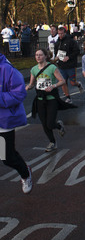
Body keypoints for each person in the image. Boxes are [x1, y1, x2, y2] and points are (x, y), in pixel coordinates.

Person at [0, 53, 33, 193]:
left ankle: (25, 174)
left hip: (3, 122)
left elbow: (19, 93)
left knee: (6, 157)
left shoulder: (7, 69)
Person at [26, 49, 66, 152]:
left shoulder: (52, 68)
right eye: (36, 55)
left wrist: (53, 86)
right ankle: (52, 142)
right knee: (44, 123)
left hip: (51, 99)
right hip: (40, 99)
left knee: (50, 123)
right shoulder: (34, 69)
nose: (38, 57)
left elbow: (62, 81)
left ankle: (58, 125)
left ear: (45, 56)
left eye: (40, 55)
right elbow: (32, 84)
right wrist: (27, 87)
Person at [54, 26, 83, 103]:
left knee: (72, 83)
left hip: (71, 66)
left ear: (65, 33)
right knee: (63, 82)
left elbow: (77, 51)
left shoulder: (71, 41)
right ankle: (68, 97)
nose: (60, 35)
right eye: (59, 34)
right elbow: (56, 53)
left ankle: (78, 84)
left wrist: (69, 57)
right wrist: (56, 59)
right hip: (61, 66)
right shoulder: (57, 43)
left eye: (62, 33)